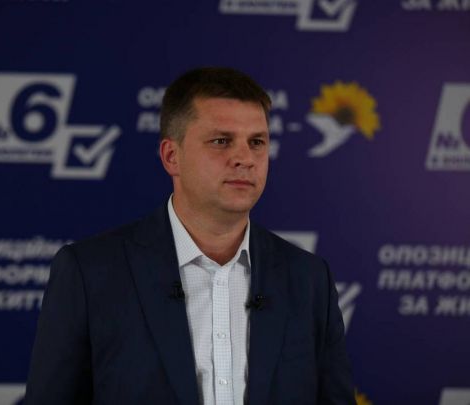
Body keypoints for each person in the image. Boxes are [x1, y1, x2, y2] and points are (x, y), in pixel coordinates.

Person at [25, 67, 356, 405]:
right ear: (172, 156)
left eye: (256, 142)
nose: (245, 158)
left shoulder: (308, 278)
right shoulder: (90, 273)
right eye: (221, 141)